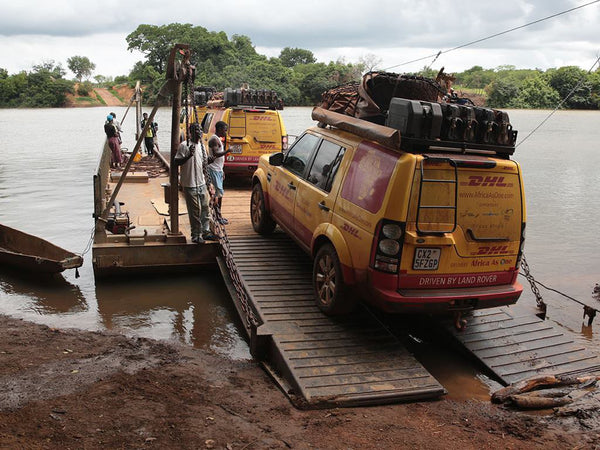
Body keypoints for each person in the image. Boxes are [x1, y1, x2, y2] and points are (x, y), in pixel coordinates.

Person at [174, 123, 217, 244]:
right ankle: (196, 234)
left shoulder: (201, 146)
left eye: (200, 130)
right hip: (190, 183)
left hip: (201, 182)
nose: (199, 133)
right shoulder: (184, 146)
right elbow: (176, 162)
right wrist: (188, 155)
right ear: (191, 132)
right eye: (196, 130)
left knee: (204, 209)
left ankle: (206, 231)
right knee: (195, 212)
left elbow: (203, 164)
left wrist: (210, 160)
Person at [207, 121, 231, 225]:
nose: (225, 132)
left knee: (219, 194)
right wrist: (227, 151)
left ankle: (217, 215)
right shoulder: (214, 140)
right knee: (217, 195)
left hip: (218, 170)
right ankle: (217, 216)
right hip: (214, 170)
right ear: (219, 129)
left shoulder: (218, 140)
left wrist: (222, 171)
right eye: (225, 130)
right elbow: (216, 153)